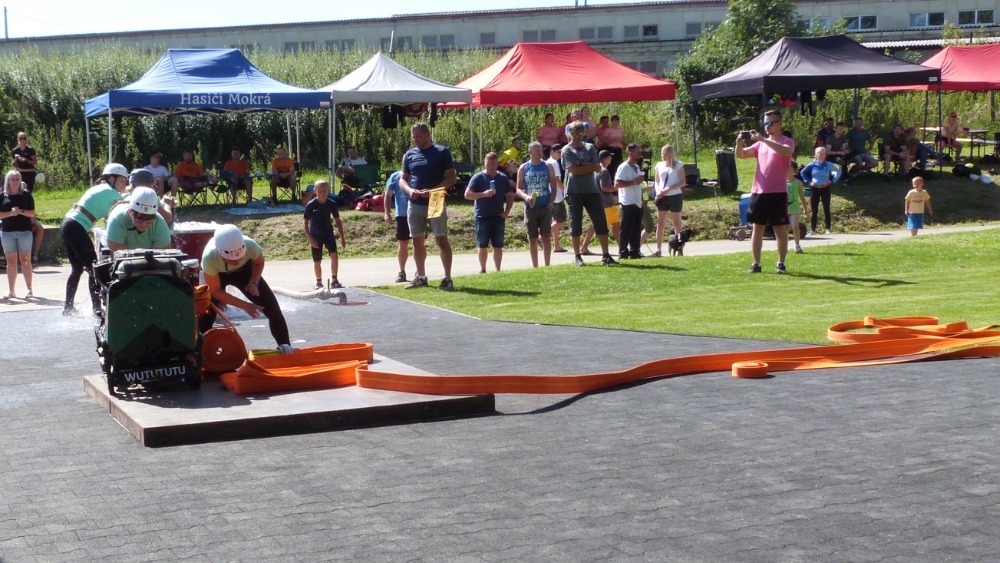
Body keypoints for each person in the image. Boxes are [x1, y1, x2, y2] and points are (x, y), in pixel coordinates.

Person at [199, 224, 294, 354]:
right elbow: (216, 291)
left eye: (240, 257)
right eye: (231, 260)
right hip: (218, 275)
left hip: (245, 272)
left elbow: (259, 262)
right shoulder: (209, 258)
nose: (236, 262)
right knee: (207, 312)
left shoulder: (250, 245)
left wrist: (254, 282)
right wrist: (246, 306)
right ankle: (200, 352)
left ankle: (285, 347)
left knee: (273, 310)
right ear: (219, 252)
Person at [60, 163, 128, 315]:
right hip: (75, 227)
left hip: (68, 225)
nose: (124, 185)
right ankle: (97, 309)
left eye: (125, 181)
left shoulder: (101, 189)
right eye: (122, 181)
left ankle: (68, 308)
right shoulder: (110, 191)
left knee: (77, 269)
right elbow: (129, 203)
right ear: (111, 179)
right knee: (95, 268)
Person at [735, 109, 795, 274]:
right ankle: (756, 263)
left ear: (780, 123)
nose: (767, 126)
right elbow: (741, 155)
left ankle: (781, 263)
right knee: (757, 228)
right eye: (765, 123)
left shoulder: (786, 141)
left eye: (770, 123)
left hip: (778, 192)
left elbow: (787, 151)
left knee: (779, 229)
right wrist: (739, 143)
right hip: (759, 192)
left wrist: (763, 139)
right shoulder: (760, 143)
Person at [399, 122, 457, 290]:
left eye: (418, 136)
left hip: (436, 200)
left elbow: (451, 178)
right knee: (417, 241)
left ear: (427, 135)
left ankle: (447, 278)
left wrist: (432, 191)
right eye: (413, 137)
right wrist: (410, 191)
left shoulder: (442, 152)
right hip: (415, 202)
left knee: (441, 239)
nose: (415, 139)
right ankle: (421, 276)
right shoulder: (410, 154)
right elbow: (403, 180)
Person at [561, 121, 616, 266]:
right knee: (576, 225)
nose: (577, 136)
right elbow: (573, 171)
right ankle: (577, 257)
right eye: (575, 133)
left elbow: (598, 168)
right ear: (569, 133)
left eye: (580, 133)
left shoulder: (589, 147)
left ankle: (606, 255)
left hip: (592, 190)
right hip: (574, 192)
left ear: (584, 133)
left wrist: (580, 164)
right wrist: (587, 165)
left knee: (601, 222)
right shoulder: (567, 150)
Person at [465, 152, 514, 273]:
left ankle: (498, 270)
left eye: (493, 162)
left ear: (497, 164)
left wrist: (507, 212)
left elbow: (510, 196)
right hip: (482, 216)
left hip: (498, 217)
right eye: (489, 162)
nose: (491, 165)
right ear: (484, 163)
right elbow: (467, 195)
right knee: (482, 245)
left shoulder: (502, 178)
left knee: (498, 245)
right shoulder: (478, 177)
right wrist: (483, 194)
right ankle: (483, 269)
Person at [515, 141, 556, 268]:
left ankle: (547, 265)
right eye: (537, 151)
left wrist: (550, 203)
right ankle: (535, 267)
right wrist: (526, 197)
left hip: (545, 207)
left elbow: (554, 187)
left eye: (541, 150)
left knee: (546, 237)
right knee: (532, 239)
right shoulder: (523, 168)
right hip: (530, 208)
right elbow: (518, 189)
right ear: (530, 152)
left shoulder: (548, 166)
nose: (540, 153)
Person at [303, 179, 346, 290]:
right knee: (317, 260)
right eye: (320, 191)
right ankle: (318, 282)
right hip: (316, 236)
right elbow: (305, 224)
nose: (322, 193)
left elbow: (338, 221)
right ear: (315, 191)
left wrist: (342, 237)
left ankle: (334, 281)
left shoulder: (331, 204)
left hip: (328, 234)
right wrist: (311, 239)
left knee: (334, 255)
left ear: (328, 191)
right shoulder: (311, 205)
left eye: (324, 191)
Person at [104, 187, 172, 253]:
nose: (144, 224)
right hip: (111, 249)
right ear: (131, 212)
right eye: (139, 219)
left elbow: (161, 256)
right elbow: (116, 255)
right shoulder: (117, 220)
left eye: (149, 219)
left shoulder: (159, 223)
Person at [1, 170, 35, 299]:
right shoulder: (2, 196)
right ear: (8, 181)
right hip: (7, 232)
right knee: (11, 262)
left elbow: (32, 213)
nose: (15, 181)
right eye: (13, 179)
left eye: (17, 179)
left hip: (24, 231)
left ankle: (29, 289)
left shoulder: (26, 195)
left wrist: (20, 211)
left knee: (25, 260)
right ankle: (11, 290)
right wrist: (10, 213)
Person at [580, 150, 620, 255]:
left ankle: (584, 247)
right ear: (605, 158)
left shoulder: (595, 170)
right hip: (607, 203)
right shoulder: (604, 171)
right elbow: (604, 188)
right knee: (615, 225)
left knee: (596, 224)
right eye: (610, 157)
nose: (611, 159)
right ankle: (622, 248)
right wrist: (617, 188)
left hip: (598, 201)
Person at [651, 144, 685, 257]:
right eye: (662, 153)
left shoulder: (678, 165)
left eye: (664, 154)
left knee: (677, 223)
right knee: (660, 223)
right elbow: (656, 181)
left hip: (675, 196)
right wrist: (658, 191)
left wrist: (669, 188)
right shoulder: (659, 165)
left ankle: (679, 248)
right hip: (662, 197)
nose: (663, 156)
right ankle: (658, 250)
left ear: (670, 154)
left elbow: (682, 182)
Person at [614, 143, 645, 259]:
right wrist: (633, 182)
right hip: (627, 202)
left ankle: (635, 251)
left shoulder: (636, 167)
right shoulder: (624, 167)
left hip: (637, 201)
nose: (640, 154)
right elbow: (617, 184)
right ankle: (623, 251)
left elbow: (638, 185)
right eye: (637, 152)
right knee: (626, 228)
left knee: (636, 228)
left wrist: (641, 199)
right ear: (630, 153)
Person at [801, 146, 840, 236]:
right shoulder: (812, 165)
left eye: (823, 154)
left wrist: (831, 181)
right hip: (815, 188)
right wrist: (809, 182)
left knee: (826, 208)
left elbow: (838, 172)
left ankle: (828, 229)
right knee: (814, 210)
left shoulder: (828, 164)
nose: (821, 155)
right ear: (816, 154)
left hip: (825, 188)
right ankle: (813, 230)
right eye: (819, 153)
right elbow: (803, 172)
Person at [382, 170, 412, 283]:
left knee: (419, 243)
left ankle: (420, 272)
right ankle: (402, 271)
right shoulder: (395, 176)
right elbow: (388, 195)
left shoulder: (418, 173)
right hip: (402, 214)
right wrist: (387, 213)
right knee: (403, 243)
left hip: (417, 213)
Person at [546, 144, 568, 253]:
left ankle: (557, 246)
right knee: (562, 220)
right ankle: (542, 235)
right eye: (558, 152)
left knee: (556, 220)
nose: (560, 154)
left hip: (549, 194)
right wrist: (564, 190)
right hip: (557, 195)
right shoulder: (554, 163)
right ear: (552, 152)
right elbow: (556, 179)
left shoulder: (546, 162)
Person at [786, 162, 807, 254]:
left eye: (791, 168)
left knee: (795, 226)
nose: (788, 170)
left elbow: (802, 197)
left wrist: (805, 209)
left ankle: (797, 245)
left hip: (794, 208)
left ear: (795, 170)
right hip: (783, 208)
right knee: (785, 228)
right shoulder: (781, 182)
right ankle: (784, 245)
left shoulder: (798, 183)